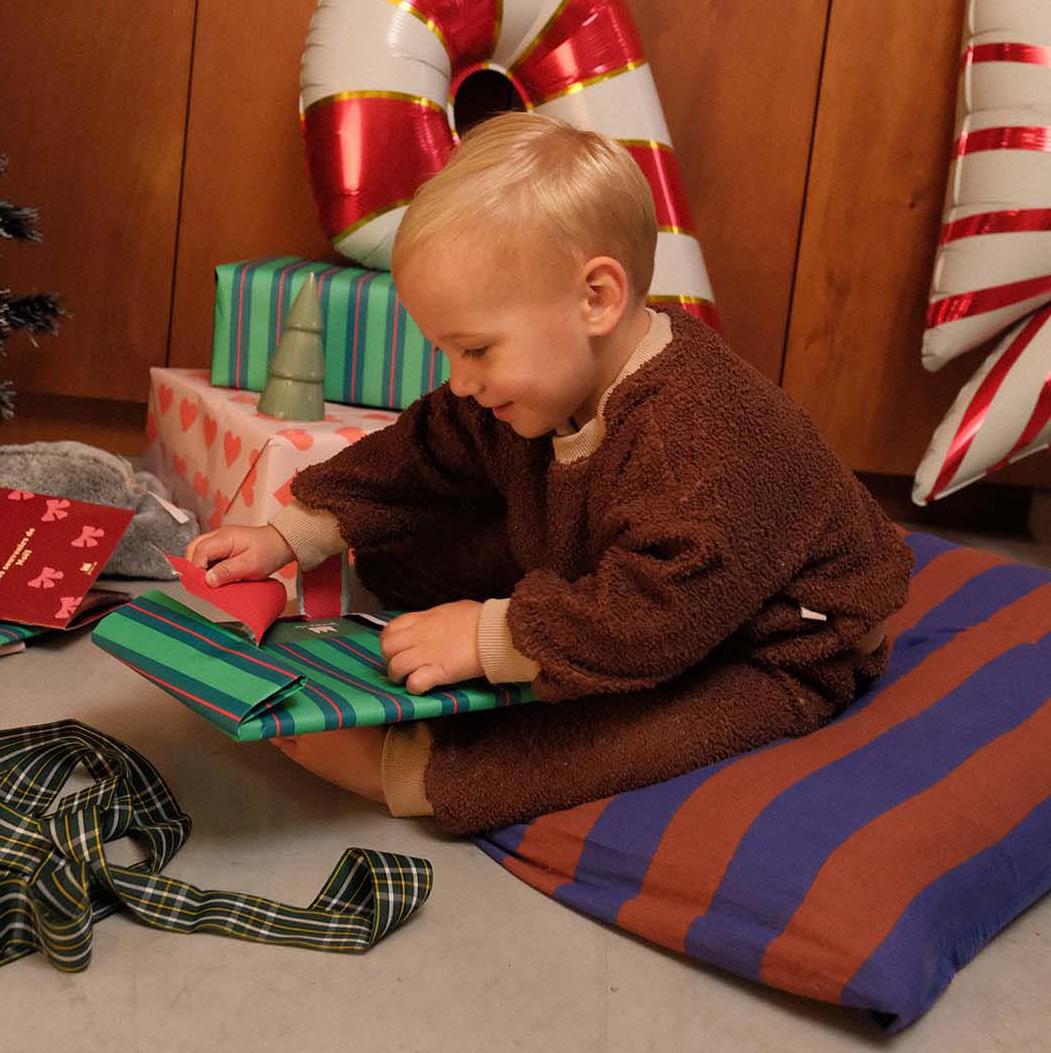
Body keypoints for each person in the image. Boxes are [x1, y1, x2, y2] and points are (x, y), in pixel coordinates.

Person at [186, 113, 913, 834]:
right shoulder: (537, 387)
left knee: (622, 734)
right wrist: (289, 535)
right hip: (630, 564)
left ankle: (406, 772)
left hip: (772, 638)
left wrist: (487, 638)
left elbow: (651, 620)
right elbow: (421, 451)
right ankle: (517, 625)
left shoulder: (695, 443)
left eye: (475, 350)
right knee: (400, 540)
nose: (459, 379)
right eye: (447, 352)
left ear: (597, 299)